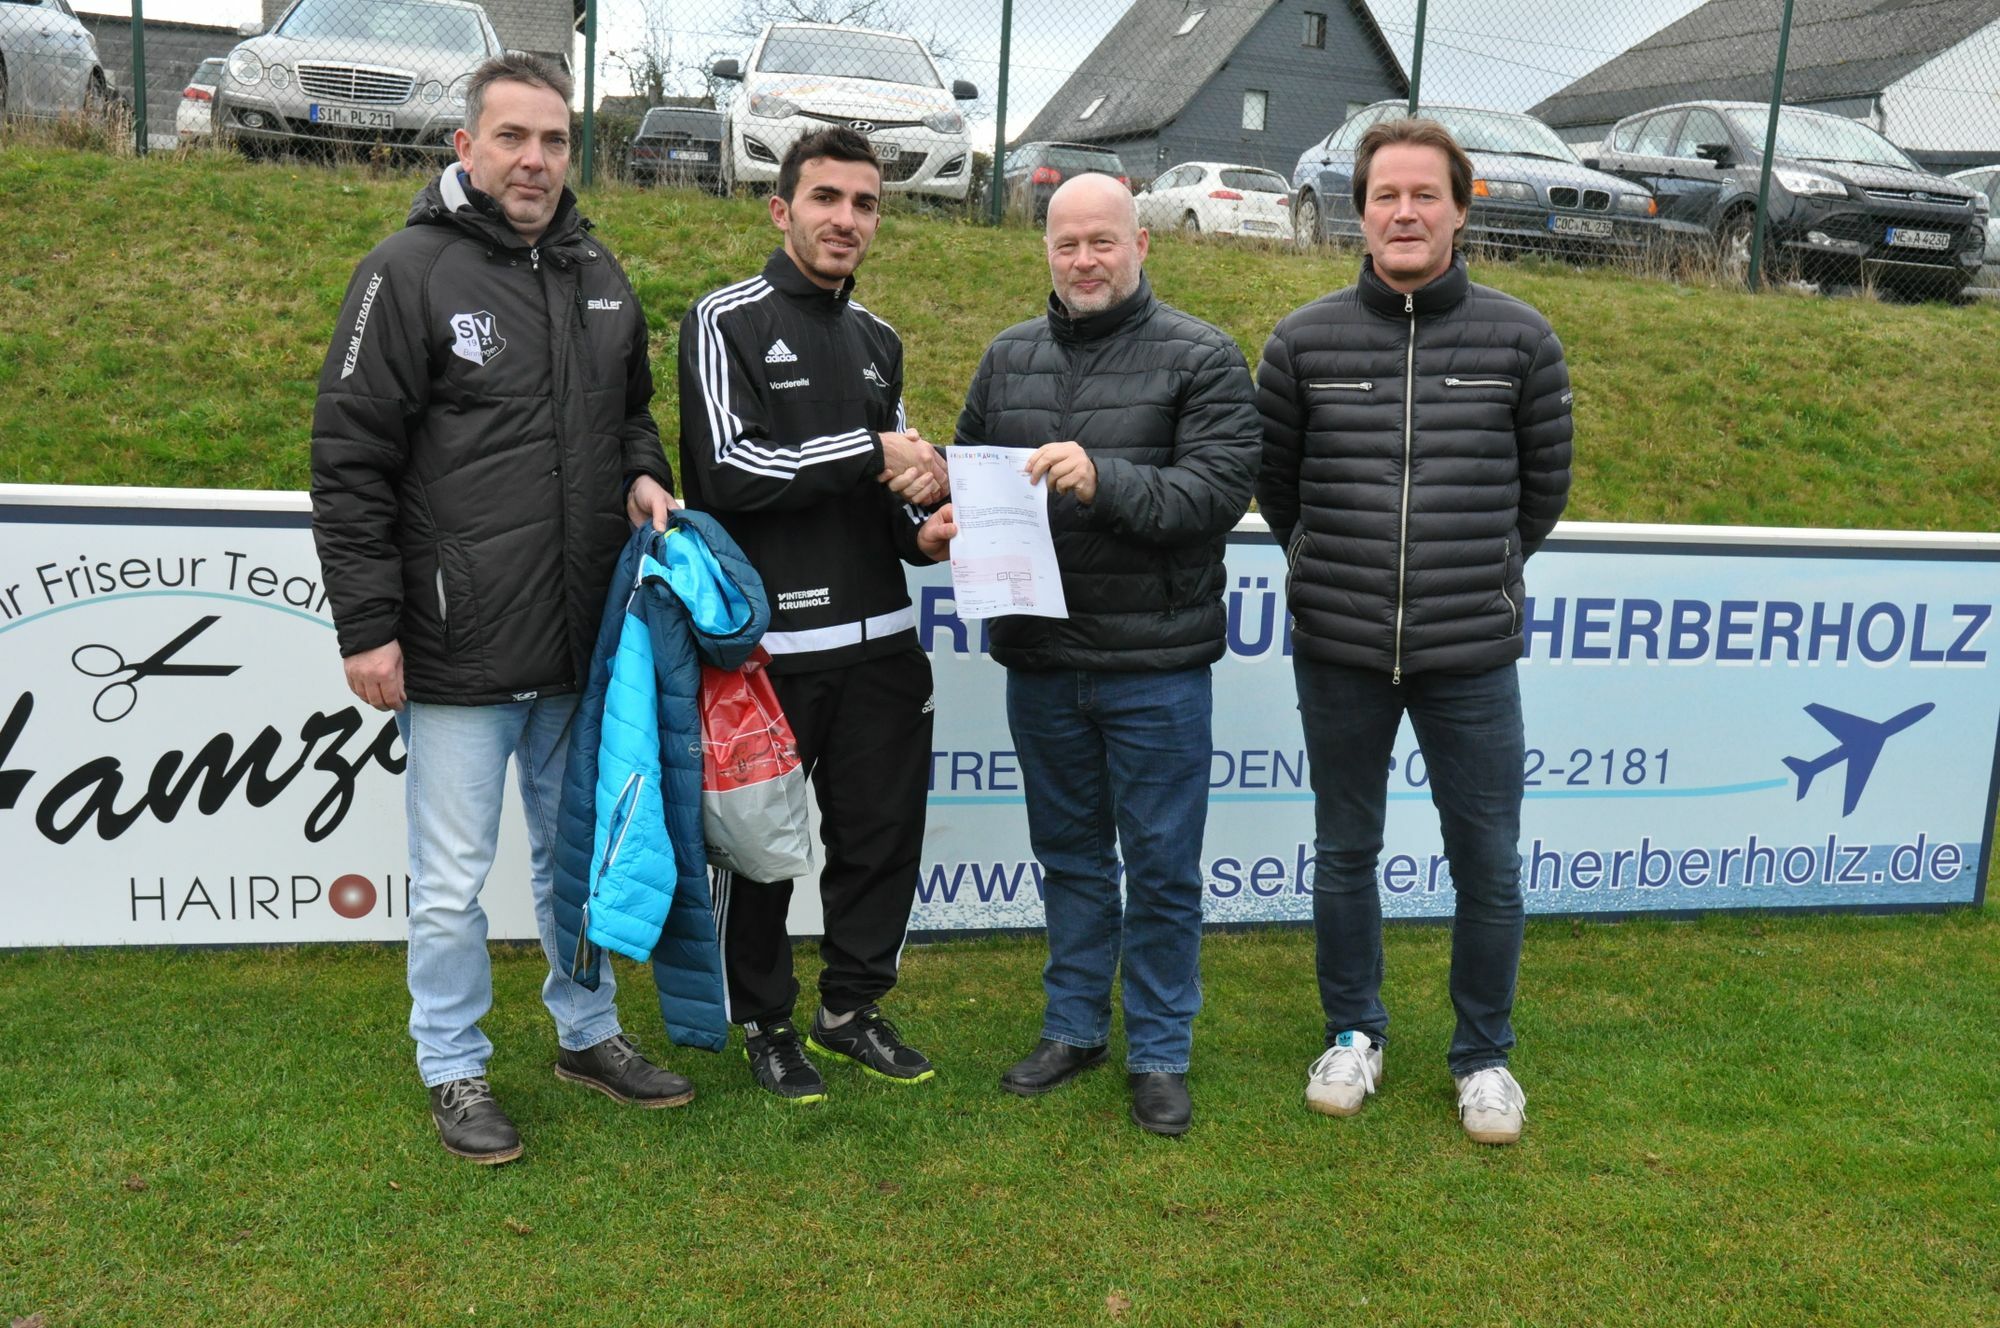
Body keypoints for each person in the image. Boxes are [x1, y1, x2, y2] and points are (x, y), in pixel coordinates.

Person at [311, 53, 686, 1165]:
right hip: (458, 643)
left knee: (576, 861)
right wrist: (367, 627)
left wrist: (645, 471)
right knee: (450, 884)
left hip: (581, 640)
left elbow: (631, 415)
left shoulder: (598, 270)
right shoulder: (406, 270)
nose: (534, 159)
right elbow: (349, 462)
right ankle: (452, 1062)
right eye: (512, 137)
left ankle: (587, 1032)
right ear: (464, 146)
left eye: (554, 140)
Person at [1255, 117, 1573, 1145]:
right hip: (1340, 646)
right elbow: (1276, 491)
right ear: (1358, 213)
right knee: (1345, 848)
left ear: (1460, 210)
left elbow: (1541, 494)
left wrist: (1470, 574)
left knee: (1488, 861)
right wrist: (1334, 572)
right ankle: (1353, 1034)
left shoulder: (1521, 339)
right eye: (1384, 195)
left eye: (1424, 194)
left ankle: (1483, 1056)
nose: (1403, 212)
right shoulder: (1301, 342)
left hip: (1469, 651)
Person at [956, 173, 1259, 1136]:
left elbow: (1213, 494)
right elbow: (971, 479)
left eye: (1102, 242)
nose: (1084, 260)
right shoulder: (1008, 357)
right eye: (1066, 244)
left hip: (1155, 668)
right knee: (1069, 859)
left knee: (1163, 867)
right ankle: (1075, 1027)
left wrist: (1104, 478)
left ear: (1140, 246)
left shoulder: (1204, 356)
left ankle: (1160, 1051)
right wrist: (933, 497)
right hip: (1043, 661)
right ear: (1045, 251)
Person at [677, 127, 956, 1104]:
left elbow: (888, 497)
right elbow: (728, 469)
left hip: (882, 645)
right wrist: (873, 451)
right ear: (780, 208)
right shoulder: (724, 319)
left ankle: (850, 1009)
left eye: (864, 203)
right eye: (826, 198)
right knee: (760, 851)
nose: (846, 218)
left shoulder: (879, 339)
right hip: (769, 652)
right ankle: (765, 1022)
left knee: (879, 839)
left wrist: (923, 529)